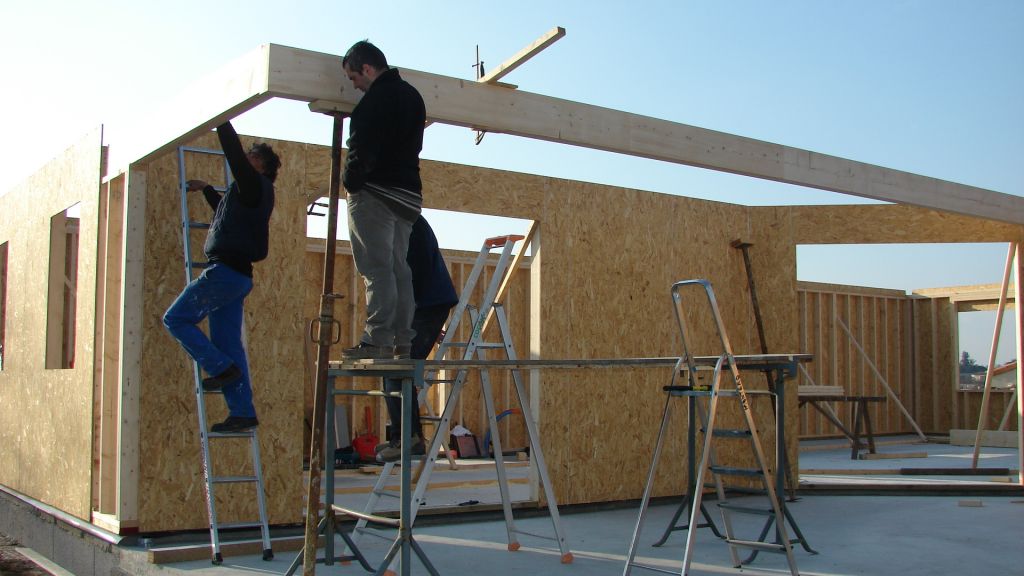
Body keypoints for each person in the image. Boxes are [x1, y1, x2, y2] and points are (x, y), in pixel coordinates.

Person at [163, 121, 280, 433]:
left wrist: (222, 120)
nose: (246, 158)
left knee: (175, 319)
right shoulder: (249, 194)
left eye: (252, 156)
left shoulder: (254, 184)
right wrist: (207, 190)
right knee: (229, 345)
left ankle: (219, 367)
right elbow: (226, 215)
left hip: (225, 273)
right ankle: (242, 411)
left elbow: (234, 156)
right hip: (236, 277)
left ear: (261, 166)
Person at [340, 40, 426, 360]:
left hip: (376, 193)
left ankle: (376, 340)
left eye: (354, 78)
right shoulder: (413, 96)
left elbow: (362, 151)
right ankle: (403, 341)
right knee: (398, 268)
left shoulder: (374, 101)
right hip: (408, 196)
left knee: (376, 268)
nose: (355, 86)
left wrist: (350, 183)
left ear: (367, 68)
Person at [377, 216, 459, 462]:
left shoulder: (406, 224)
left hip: (427, 306)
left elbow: (412, 276)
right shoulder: (402, 222)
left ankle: (409, 439)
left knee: (397, 369)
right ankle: (402, 438)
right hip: (424, 307)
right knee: (392, 369)